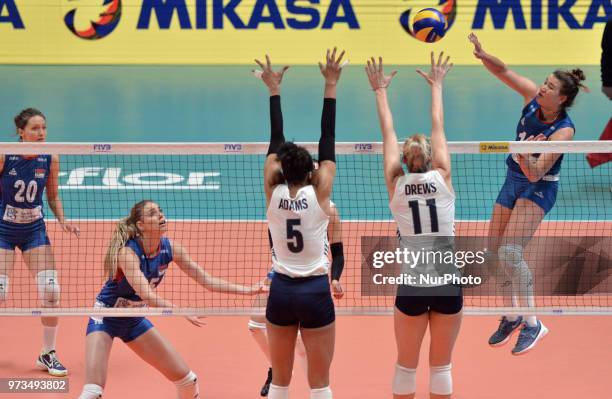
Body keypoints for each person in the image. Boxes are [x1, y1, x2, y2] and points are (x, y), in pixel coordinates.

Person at [469, 32, 588, 354]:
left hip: (538, 186)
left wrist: (522, 151)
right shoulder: (532, 98)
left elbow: (536, 171)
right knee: (494, 252)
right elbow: (503, 71)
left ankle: (534, 324)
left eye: (550, 87)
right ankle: (511, 315)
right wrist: (483, 54)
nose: (543, 87)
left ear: (561, 99)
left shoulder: (564, 130)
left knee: (510, 252)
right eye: (545, 83)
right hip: (513, 178)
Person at [78, 200, 263, 399]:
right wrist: (181, 311)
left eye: (160, 212)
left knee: (188, 381)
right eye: (152, 213)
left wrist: (248, 290)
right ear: (141, 225)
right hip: (106, 317)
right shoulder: (128, 253)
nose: (160, 216)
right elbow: (147, 295)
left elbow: (207, 281)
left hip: (134, 318)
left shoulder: (170, 249)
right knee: (93, 391)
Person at [366, 52, 460, 399]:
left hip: (414, 283)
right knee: (442, 367)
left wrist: (380, 91)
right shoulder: (444, 177)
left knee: (406, 366)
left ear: (405, 162)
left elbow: (387, 132)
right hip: (448, 282)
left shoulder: (397, 184)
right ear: (432, 158)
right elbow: (438, 126)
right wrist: (437, 85)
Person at [256, 48, 344, 399]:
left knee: (280, 380)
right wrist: (331, 85)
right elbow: (328, 142)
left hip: (281, 291)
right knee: (319, 382)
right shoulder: (320, 195)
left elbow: (275, 143)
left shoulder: (271, 192)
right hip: (314, 292)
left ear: (280, 169)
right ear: (312, 172)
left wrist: (273, 90)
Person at [0, 108, 79, 376]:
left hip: (34, 230)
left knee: (51, 291)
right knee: (0, 291)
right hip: (3, 231)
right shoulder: (4, 156)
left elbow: (53, 195)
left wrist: (63, 219)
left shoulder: (50, 156)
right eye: (35, 128)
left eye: (43, 128)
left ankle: (48, 353)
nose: (41, 133)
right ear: (21, 132)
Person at [250, 200, 344, 397]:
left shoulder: (328, 208)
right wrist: (275, 270)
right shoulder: (278, 204)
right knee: (254, 324)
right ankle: (277, 366)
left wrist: (335, 278)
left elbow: (338, 252)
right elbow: (274, 244)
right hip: (283, 273)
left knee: (315, 375)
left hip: (313, 279)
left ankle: (288, 369)